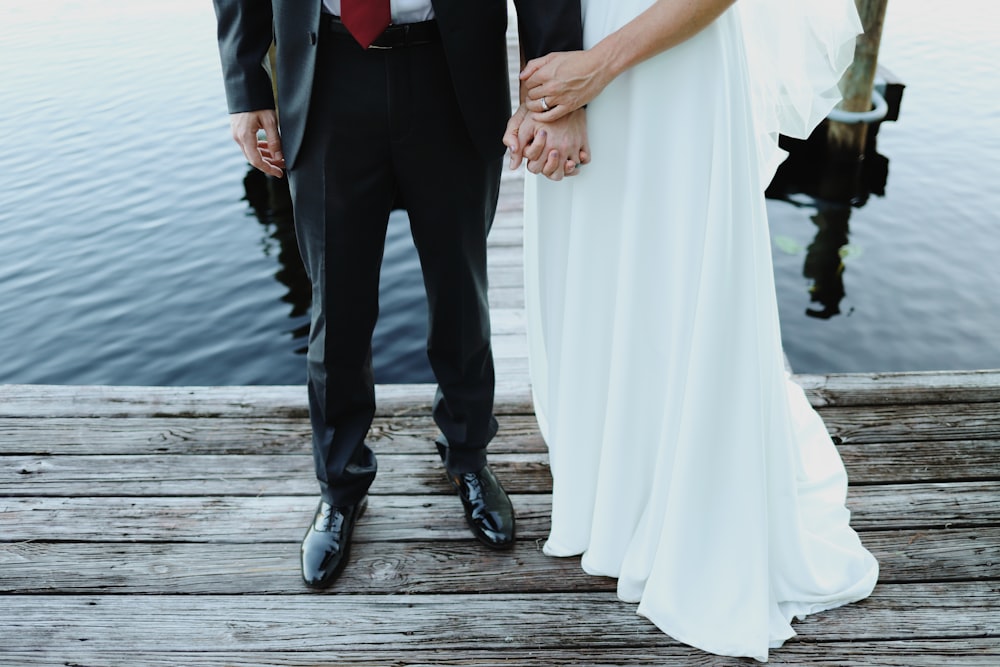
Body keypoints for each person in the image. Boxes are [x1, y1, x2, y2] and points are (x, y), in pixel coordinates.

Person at [504, 0, 879, 661]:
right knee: (594, 277)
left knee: (678, 276)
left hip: (675, 59)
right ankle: (614, 504)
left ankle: (687, 506)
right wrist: (545, 95)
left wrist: (600, 65)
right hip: (572, 59)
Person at [211, 0, 587, 589]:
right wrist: (244, 84)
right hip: (325, 68)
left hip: (453, 66)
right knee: (337, 306)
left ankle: (467, 458)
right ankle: (340, 486)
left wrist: (552, 95)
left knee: (462, 290)